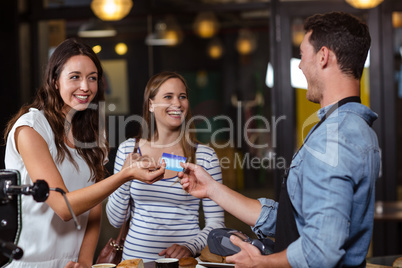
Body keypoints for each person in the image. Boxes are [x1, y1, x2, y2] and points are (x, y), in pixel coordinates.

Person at [178, 12, 380, 268]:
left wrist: (261, 262)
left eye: (302, 54)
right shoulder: (346, 128)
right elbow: (291, 219)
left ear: (323, 56)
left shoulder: (336, 138)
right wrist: (211, 189)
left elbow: (322, 251)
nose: (299, 65)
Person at [3, 38, 165, 268]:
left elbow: (94, 207)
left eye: (92, 78)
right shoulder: (31, 129)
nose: (85, 87)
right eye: (75, 77)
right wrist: (123, 175)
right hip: (29, 261)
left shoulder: (92, 132)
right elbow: (63, 207)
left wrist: (85, 261)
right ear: (54, 81)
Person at [106, 71, 225, 262]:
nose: (177, 104)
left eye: (182, 97)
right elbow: (115, 220)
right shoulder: (129, 149)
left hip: (184, 263)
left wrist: (190, 247)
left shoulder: (204, 156)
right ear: (151, 104)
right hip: (135, 263)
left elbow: (216, 224)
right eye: (168, 97)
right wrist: (125, 175)